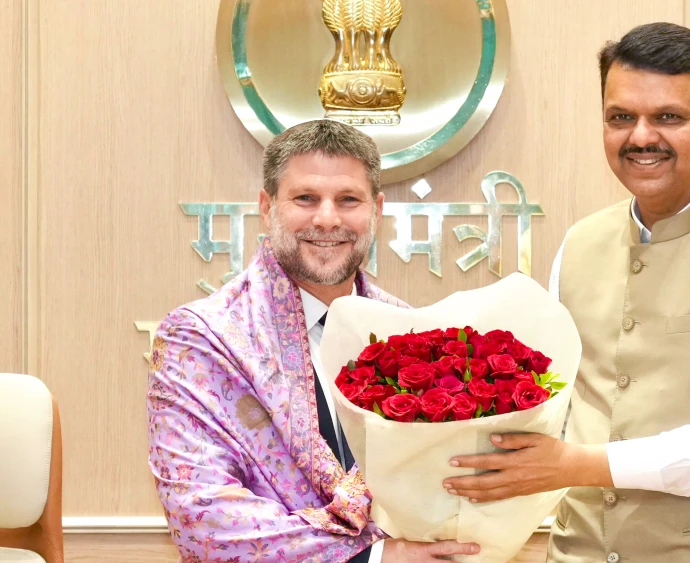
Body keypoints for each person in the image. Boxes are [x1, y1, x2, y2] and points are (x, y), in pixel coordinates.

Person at [442, 22, 690, 562]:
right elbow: (553, 408)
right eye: (621, 118)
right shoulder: (580, 244)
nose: (641, 136)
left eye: (668, 117)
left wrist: (579, 465)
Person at [147, 120, 480, 562]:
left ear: (376, 211)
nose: (328, 218)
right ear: (267, 208)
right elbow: (203, 516)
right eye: (306, 198)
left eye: (348, 200)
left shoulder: (406, 331)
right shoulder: (201, 337)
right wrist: (375, 559)